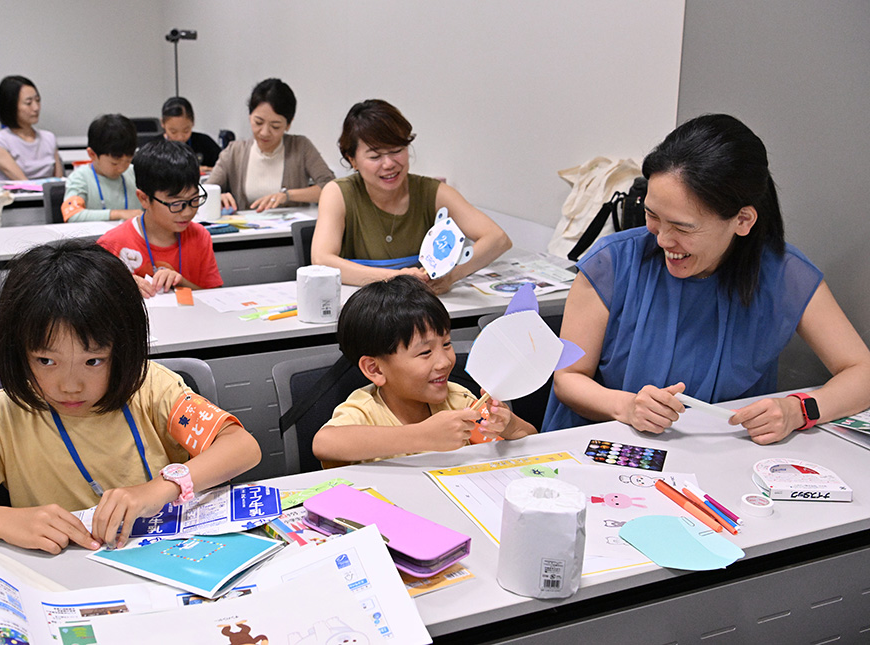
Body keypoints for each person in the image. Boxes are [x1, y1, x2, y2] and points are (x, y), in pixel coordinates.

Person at [0, 241, 261, 553]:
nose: (70, 385)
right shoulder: (3, 415)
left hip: (169, 554)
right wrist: (6, 520)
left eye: (93, 360)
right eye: (46, 360)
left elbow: (242, 446)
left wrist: (160, 489)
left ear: (125, 349)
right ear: (18, 352)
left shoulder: (148, 386)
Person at [543, 114, 870, 443]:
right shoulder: (612, 263)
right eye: (652, 215)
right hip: (603, 451)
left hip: (723, 461)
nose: (661, 239)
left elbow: (863, 373)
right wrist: (626, 407)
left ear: (742, 220)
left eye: (683, 228)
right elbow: (569, 378)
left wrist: (798, 410)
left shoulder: (783, 275)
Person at [311, 275, 536, 468]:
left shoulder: (457, 399)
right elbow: (325, 443)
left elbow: (532, 440)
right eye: (425, 352)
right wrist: (423, 436)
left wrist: (508, 426)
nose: (444, 362)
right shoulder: (365, 411)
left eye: (446, 344)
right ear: (375, 369)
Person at [310, 99, 511, 295]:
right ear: (352, 160)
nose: (389, 164)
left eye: (397, 151)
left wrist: (450, 277)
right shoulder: (338, 193)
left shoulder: (432, 192)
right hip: (366, 308)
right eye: (375, 156)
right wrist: (395, 279)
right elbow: (321, 259)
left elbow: (498, 239)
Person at [98, 139, 222, 297]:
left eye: (194, 200)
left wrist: (181, 283)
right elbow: (93, 306)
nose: (187, 212)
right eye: (176, 204)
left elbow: (215, 297)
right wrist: (123, 287)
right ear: (144, 199)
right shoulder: (112, 245)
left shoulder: (199, 236)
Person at [208, 78, 334, 213]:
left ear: (289, 124)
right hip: (247, 233)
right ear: (250, 116)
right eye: (258, 122)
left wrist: (287, 196)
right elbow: (203, 192)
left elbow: (331, 187)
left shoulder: (300, 147)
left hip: (289, 232)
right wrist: (216, 196)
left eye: (275, 126)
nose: (265, 132)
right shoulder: (234, 151)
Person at [61, 114, 141, 222]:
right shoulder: (79, 178)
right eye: (114, 163)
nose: (122, 168)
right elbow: (72, 214)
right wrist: (119, 214)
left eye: (128, 161)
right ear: (92, 154)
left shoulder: (135, 173)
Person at [0, 75, 63, 181]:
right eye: (28, 103)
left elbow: (59, 182)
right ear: (10, 106)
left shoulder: (49, 138)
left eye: (37, 100)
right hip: (18, 197)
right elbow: (24, 184)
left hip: (50, 196)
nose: (36, 108)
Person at [159, 96, 222, 173]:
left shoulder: (205, 143)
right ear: (162, 123)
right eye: (173, 132)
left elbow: (224, 168)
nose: (180, 137)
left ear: (193, 122)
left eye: (186, 131)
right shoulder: (152, 148)